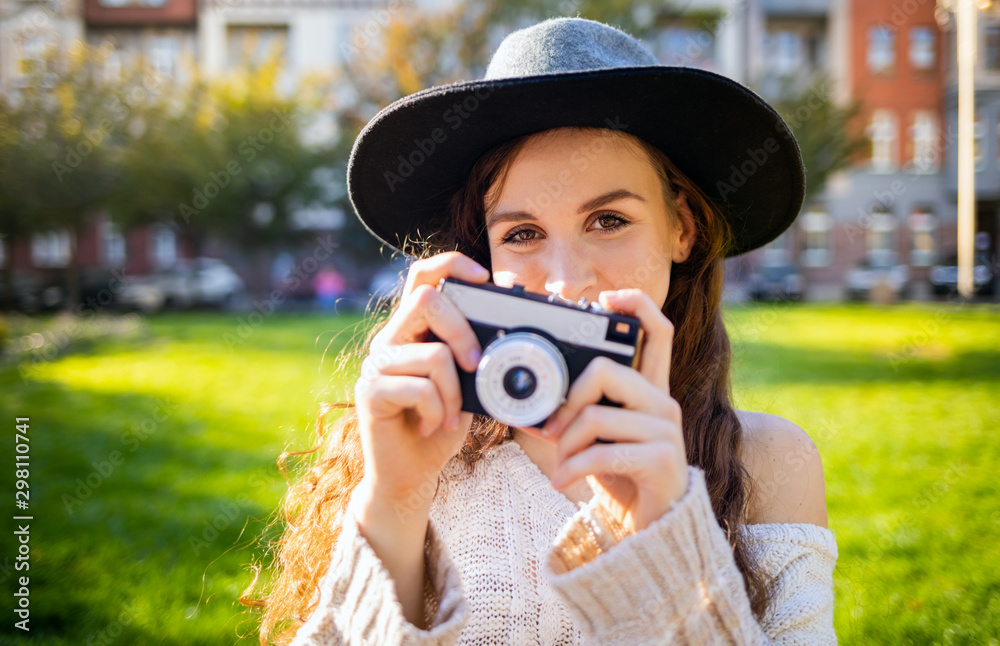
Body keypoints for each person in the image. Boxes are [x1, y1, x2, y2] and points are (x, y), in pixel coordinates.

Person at [243, 17, 837, 645]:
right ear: (486, 257)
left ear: (682, 228)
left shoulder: (770, 463)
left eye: (608, 219)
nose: (563, 281)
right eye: (522, 234)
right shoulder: (427, 451)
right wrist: (393, 497)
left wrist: (662, 528)